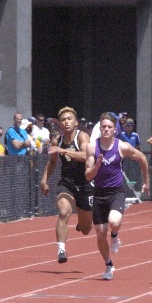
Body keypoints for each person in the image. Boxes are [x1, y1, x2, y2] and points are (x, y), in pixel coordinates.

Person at [85, 113, 150, 280]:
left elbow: (142, 158)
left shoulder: (122, 146)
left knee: (113, 222)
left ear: (114, 130)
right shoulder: (92, 147)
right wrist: (97, 165)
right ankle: (108, 265)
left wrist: (146, 181)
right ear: (100, 129)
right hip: (99, 192)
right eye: (103, 127)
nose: (106, 129)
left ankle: (115, 236)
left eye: (109, 127)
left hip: (117, 191)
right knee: (100, 233)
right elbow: (87, 175)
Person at [40, 106, 93, 263]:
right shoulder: (58, 141)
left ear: (76, 122)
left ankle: (81, 223)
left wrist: (63, 151)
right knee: (63, 212)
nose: (66, 122)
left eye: (69, 119)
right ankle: (61, 250)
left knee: (85, 230)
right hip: (67, 183)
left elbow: (85, 156)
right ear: (60, 125)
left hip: (85, 184)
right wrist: (44, 180)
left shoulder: (82, 137)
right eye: (63, 120)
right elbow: (52, 162)